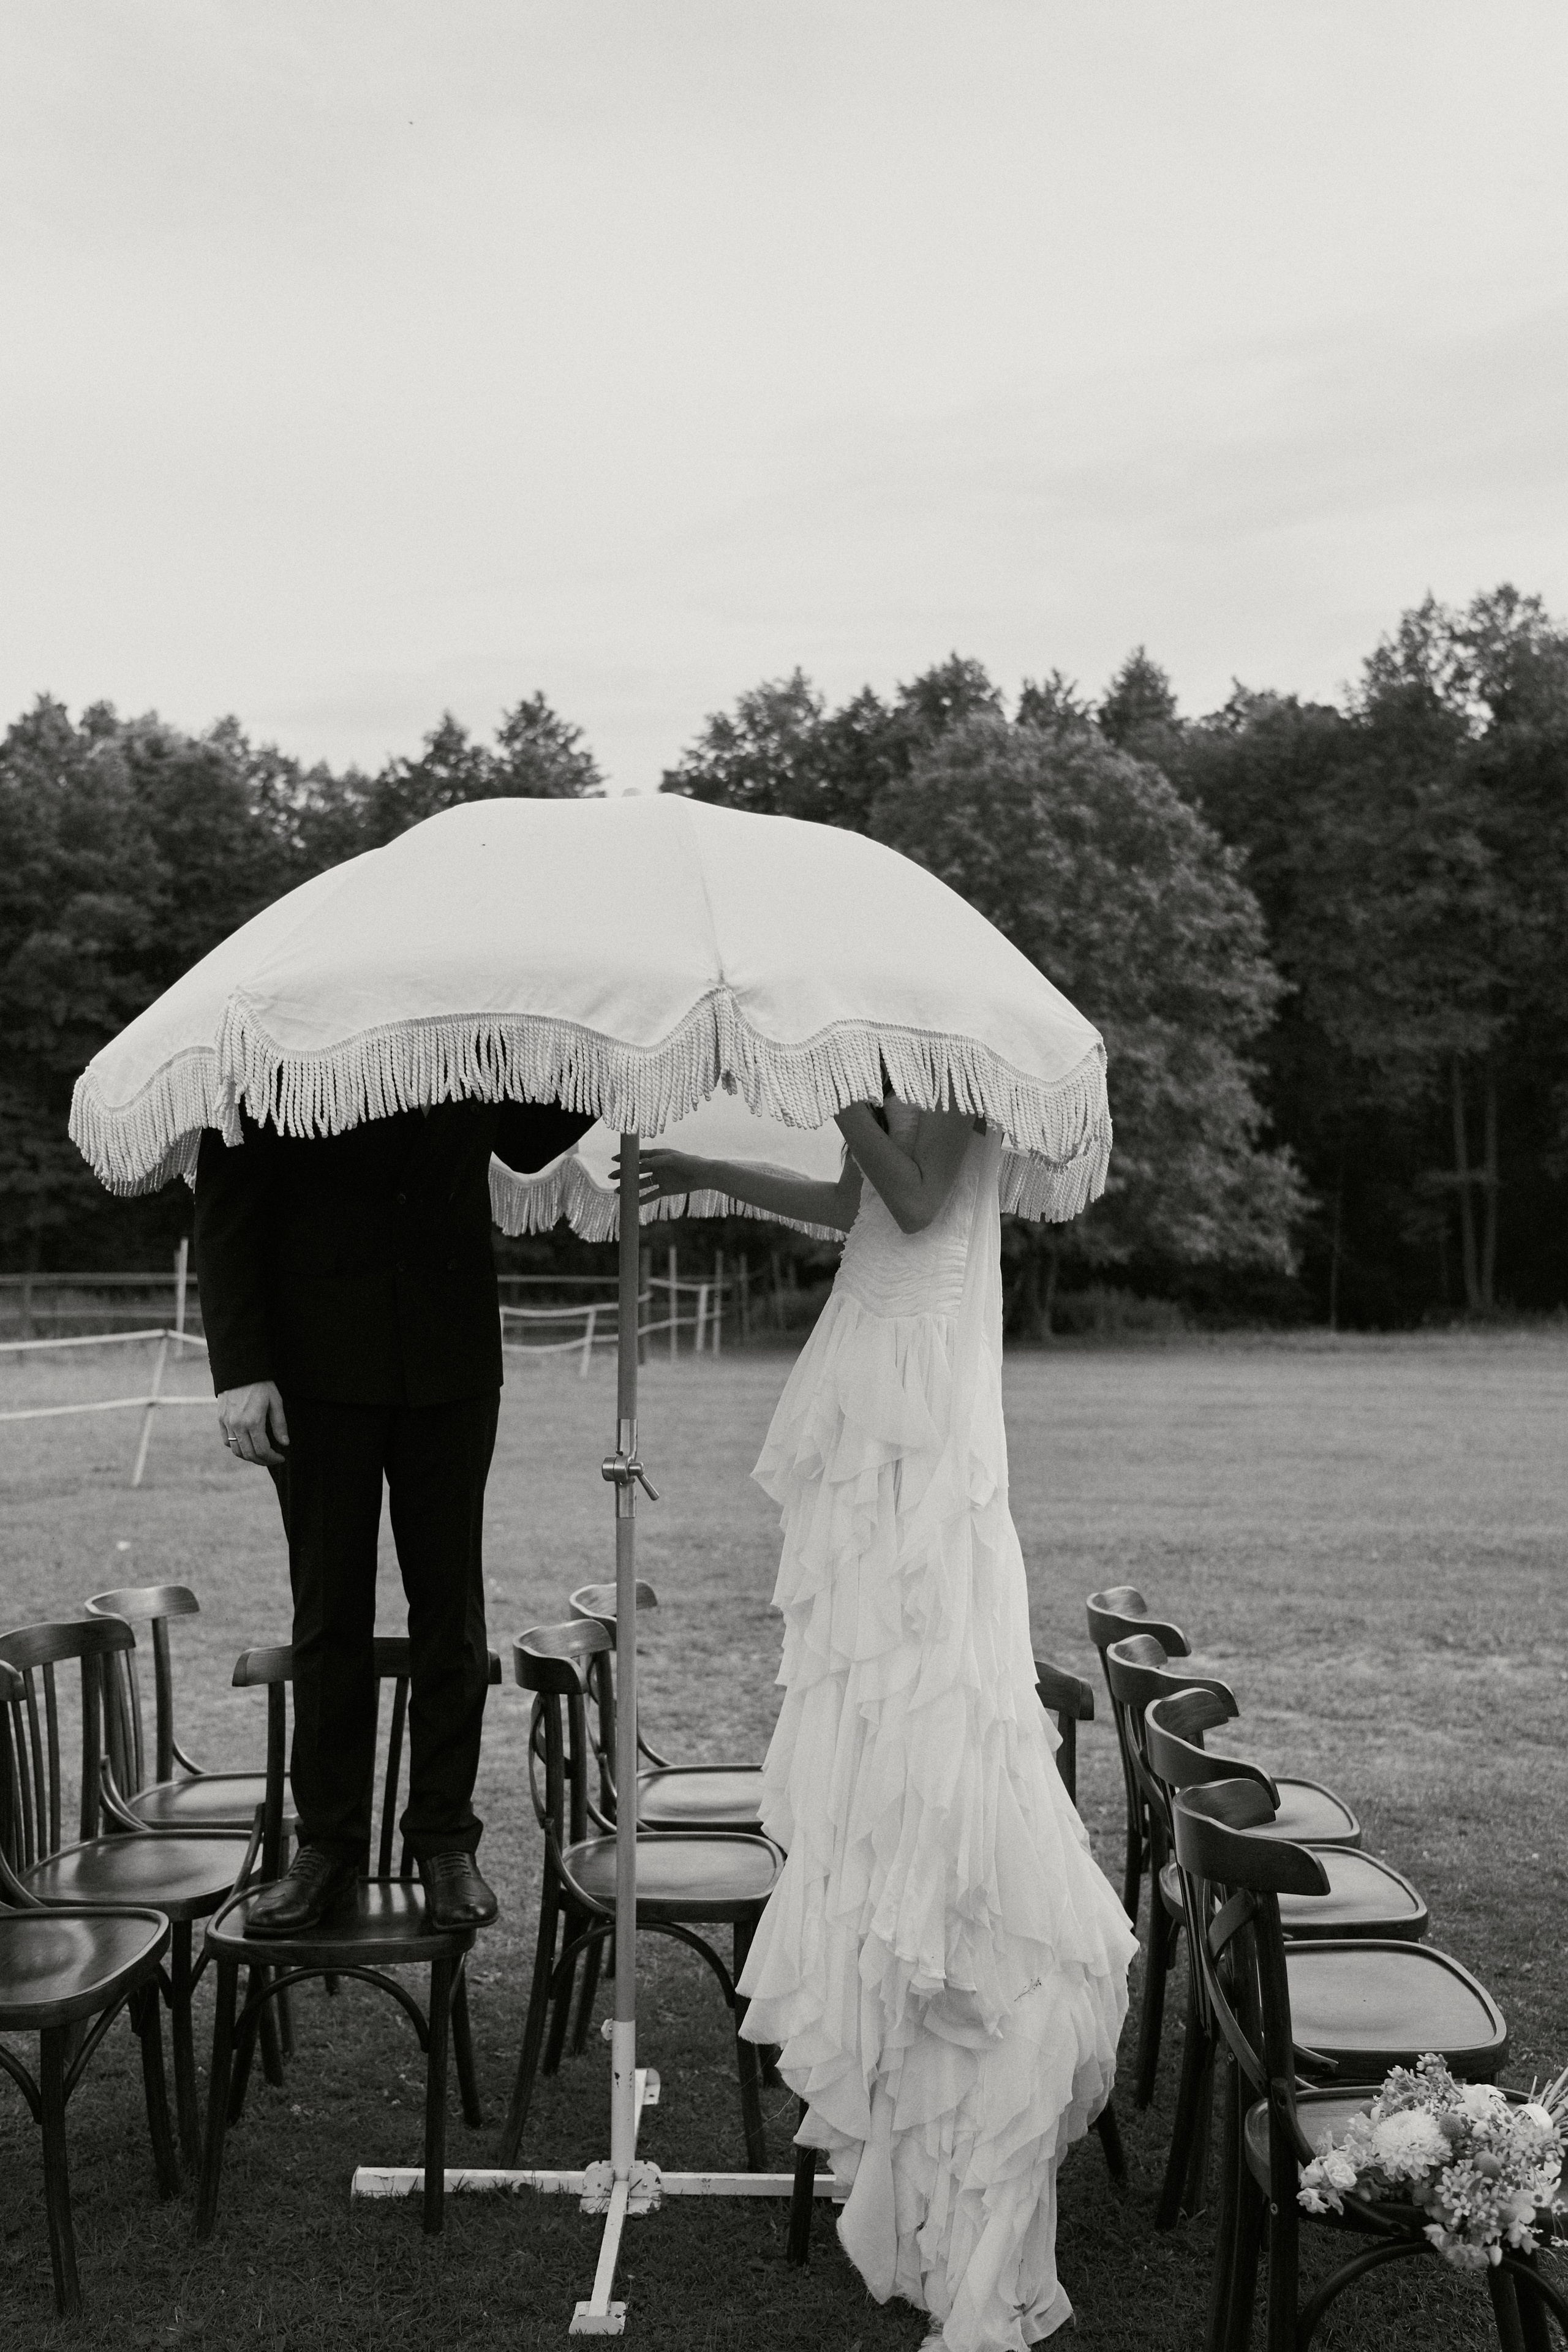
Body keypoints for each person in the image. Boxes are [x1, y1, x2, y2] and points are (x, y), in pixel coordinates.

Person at [633, 1091, 1137, 2351]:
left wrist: (844, 1095)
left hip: (917, 1396)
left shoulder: (960, 1079)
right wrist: (707, 1162)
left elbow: (916, 1199)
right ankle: (893, 2005)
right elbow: (854, 1204)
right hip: (872, 1357)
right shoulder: (907, 1086)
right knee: (867, 1687)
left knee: (922, 1673)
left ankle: (950, 2000)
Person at [194, 1095, 592, 1936]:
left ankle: (445, 1842)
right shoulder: (274, 1025)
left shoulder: (468, 1017)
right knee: (329, 1613)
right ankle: (329, 1848)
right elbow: (228, 1208)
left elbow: (524, 1141)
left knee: (452, 1613)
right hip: (310, 1370)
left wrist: (615, 1049)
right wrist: (240, 1369)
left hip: (451, 1362)